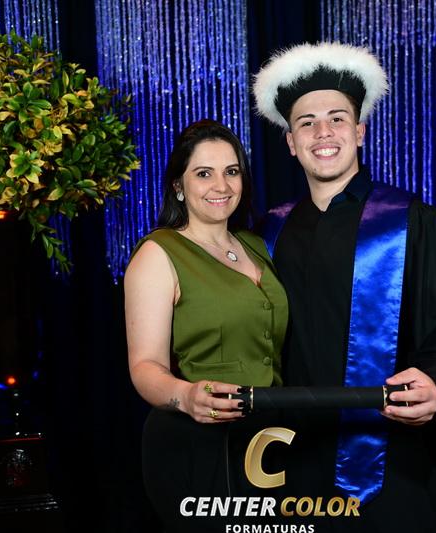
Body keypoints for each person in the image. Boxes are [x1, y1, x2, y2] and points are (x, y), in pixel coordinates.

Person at [252, 42, 436, 531]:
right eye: (306, 122)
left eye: (337, 119)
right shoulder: (269, 231)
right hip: (292, 453)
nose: (323, 132)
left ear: (359, 132)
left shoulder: (411, 221)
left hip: (392, 458)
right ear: (291, 143)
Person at [123, 119, 288, 532]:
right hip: (201, 443)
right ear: (179, 185)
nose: (221, 185)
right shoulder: (158, 253)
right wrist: (186, 395)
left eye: (231, 171)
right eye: (203, 173)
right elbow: (144, 366)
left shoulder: (255, 245)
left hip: (269, 440)